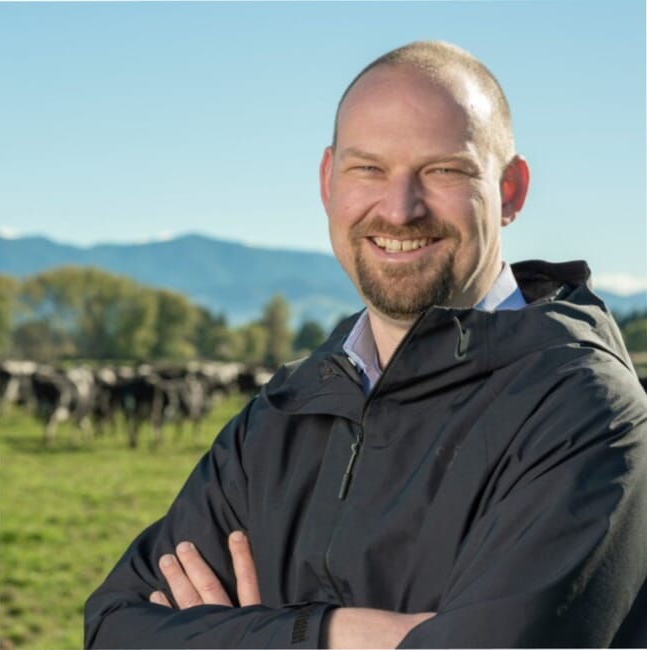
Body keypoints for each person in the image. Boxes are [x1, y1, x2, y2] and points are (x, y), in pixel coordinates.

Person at [84, 41, 647, 648]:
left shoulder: (586, 412)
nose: (399, 210)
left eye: (442, 170)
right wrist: (336, 633)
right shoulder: (284, 413)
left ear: (510, 190)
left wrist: (228, 633)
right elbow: (115, 626)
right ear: (329, 181)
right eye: (368, 169)